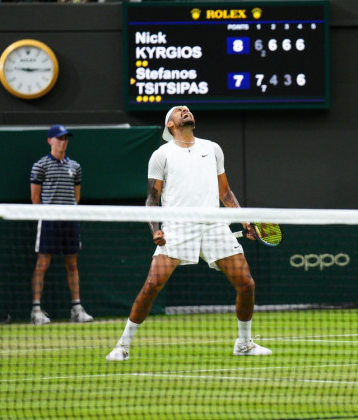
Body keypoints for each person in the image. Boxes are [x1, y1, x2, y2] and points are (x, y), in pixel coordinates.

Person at [106, 105, 271, 361]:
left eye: (187, 109)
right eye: (179, 110)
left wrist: (245, 220)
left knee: (246, 284)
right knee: (151, 286)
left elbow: (225, 193)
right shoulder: (161, 155)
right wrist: (155, 229)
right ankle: (122, 345)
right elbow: (152, 197)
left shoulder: (212, 148)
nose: (185, 110)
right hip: (178, 227)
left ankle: (244, 343)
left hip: (214, 226)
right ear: (169, 125)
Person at [30, 124, 94, 325]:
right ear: (50, 140)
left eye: (65, 138)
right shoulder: (40, 166)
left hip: (70, 221)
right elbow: (35, 198)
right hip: (49, 220)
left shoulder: (75, 167)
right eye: (59, 138)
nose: (63, 142)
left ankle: (76, 309)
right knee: (43, 264)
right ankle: (36, 310)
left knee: (72, 264)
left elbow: (76, 197)